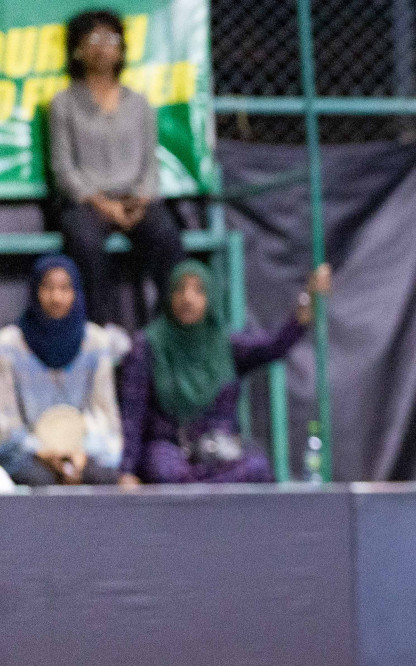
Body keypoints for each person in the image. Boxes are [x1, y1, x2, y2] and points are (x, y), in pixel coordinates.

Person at [117, 261, 331, 484]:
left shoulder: (224, 345)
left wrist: (309, 300)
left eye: (198, 290)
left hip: (218, 451)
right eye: (180, 289)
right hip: (171, 450)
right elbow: (133, 414)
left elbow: (275, 347)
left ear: (210, 298)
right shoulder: (149, 346)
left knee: (256, 467)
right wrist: (127, 471)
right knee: (164, 470)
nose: (188, 298)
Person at [49, 9, 187, 326]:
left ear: (122, 49)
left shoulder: (139, 104)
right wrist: (102, 204)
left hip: (135, 201)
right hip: (87, 203)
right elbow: (63, 169)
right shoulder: (64, 103)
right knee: (84, 242)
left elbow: (150, 166)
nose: (103, 46)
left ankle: (171, 331)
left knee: (166, 234)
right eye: (94, 39)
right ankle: (102, 334)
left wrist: (140, 199)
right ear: (78, 48)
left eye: (111, 39)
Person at [0, 255, 129, 486]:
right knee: (39, 480)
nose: (56, 298)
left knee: (103, 477)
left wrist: (80, 454)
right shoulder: (9, 344)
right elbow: (5, 420)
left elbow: (105, 414)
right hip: (28, 453)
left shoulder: (96, 342)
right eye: (47, 287)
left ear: (76, 292)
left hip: (82, 450)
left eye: (64, 288)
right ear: (34, 291)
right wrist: (43, 452)